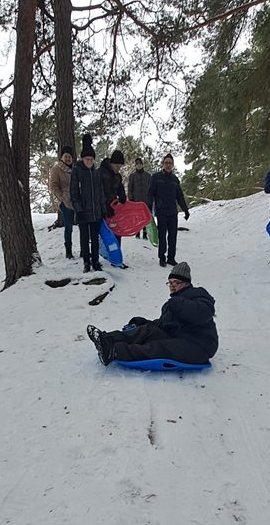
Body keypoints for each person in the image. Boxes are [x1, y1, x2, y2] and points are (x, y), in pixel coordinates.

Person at [86, 262, 217, 366]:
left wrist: (178, 303)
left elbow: (203, 313)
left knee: (158, 348)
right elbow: (164, 325)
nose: (172, 286)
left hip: (199, 345)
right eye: (170, 283)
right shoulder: (173, 302)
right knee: (147, 331)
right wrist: (144, 323)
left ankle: (114, 352)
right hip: (178, 337)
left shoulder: (197, 294)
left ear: (187, 283)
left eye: (177, 282)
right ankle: (106, 340)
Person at [70, 133, 106, 273]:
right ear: (83, 159)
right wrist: (78, 209)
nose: (89, 161)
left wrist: (102, 209)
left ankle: (95, 261)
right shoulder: (77, 171)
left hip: (96, 211)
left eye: (91, 159)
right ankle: (86, 261)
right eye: (87, 159)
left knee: (95, 239)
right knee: (84, 239)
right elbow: (73, 192)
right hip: (83, 212)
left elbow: (100, 192)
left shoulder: (96, 173)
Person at [147, 153, 190, 267]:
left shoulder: (175, 180)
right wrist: (148, 208)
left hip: (172, 212)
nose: (168, 165)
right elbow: (150, 193)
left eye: (170, 163)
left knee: (172, 236)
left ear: (173, 165)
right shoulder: (156, 177)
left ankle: (171, 258)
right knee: (162, 236)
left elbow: (180, 196)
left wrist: (185, 210)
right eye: (166, 163)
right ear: (163, 164)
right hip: (161, 212)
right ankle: (162, 257)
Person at [48, 146, 75, 257]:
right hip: (66, 202)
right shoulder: (57, 169)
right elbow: (53, 185)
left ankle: (84, 250)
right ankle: (68, 250)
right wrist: (62, 198)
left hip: (77, 201)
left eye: (70, 156)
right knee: (68, 227)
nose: (68, 158)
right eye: (66, 156)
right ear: (61, 157)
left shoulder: (76, 168)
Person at [127, 157, 151, 238]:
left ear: (142, 165)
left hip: (145, 200)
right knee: (137, 217)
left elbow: (151, 188)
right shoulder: (132, 176)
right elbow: (130, 188)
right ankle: (137, 232)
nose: (139, 166)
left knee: (145, 217)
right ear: (135, 166)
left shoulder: (148, 176)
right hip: (136, 201)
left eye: (140, 164)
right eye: (137, 164)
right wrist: (131, 199)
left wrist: (151, 199)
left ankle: (145, 233)